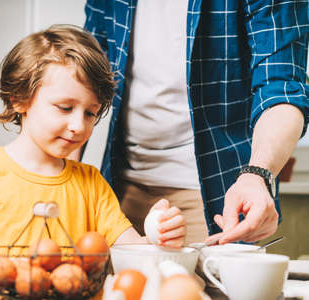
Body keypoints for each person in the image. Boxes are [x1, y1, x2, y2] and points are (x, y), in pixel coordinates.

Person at [0, 24, 186, 280]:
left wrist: (157, 234)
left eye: (90, 113)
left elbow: (134, 251)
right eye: (65, 107)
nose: (78, 126)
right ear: (19, 98)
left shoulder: (92, 184)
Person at [83, 0, 308, 245]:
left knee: (209, 284)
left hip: (217, 196)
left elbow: (282, 87)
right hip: (119, 189)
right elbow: (83, 78)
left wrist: (257, 174)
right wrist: (59, 181)